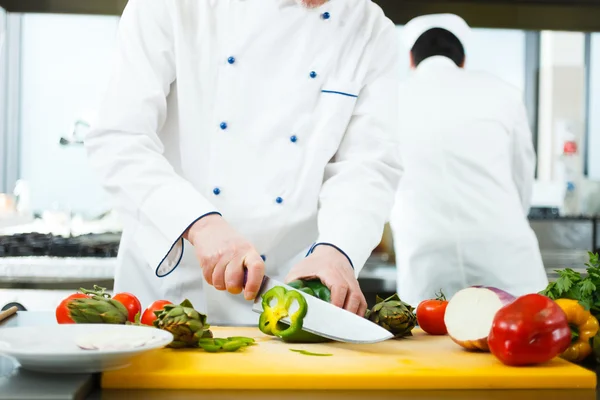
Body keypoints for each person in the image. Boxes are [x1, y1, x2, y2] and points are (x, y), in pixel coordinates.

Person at [84, 0, 402, 325]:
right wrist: (202, 224)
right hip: (172, 296)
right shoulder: (172, 6)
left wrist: (337, 250)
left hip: (293, 298)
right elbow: (119, 137)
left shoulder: (369, 28)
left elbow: (369, 166)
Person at [390, 14, 548, 306]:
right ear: (463, 60)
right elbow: (522, 178)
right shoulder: (504, 94)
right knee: (524, 338)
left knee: (430, 345)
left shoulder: (390, 101)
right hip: (504, 251)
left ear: (411, 60)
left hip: (426, 257)